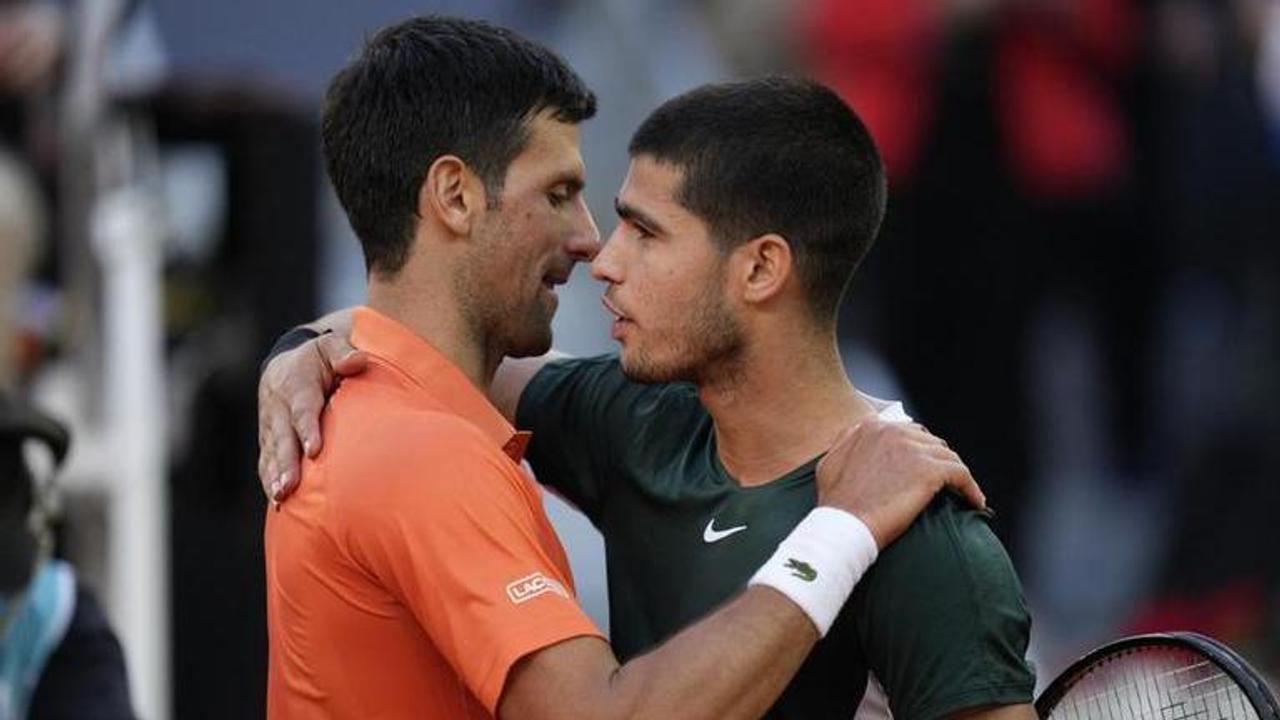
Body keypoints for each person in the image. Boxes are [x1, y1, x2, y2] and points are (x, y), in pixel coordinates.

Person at [262, 16, 984, 720]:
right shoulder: (425, 454)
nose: (591, 246)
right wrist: (841, 533)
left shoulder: (385, 400)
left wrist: (301, 344)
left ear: (765, 267)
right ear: (454, 196)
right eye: (557, 195)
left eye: (642, 230)